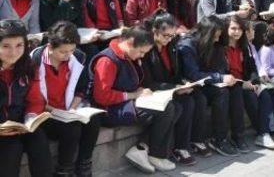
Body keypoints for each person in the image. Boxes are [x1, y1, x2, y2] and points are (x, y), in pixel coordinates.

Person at [91, 26, 180, 173]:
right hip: (109, 110)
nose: (142, 56)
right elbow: (102, 97)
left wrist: (141, 92)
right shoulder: (107, 60)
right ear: (130, 43)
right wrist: (133, 95)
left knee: (176, 106)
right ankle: (156, 155)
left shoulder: (127, 56)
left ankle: (142, 147)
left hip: (126, 103)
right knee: (167, 109)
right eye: (141, 52)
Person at [140, 11, 211, 164]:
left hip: (170, 87)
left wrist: (183, 83)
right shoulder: (146, 49)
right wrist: (175, 87)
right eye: (166, 35)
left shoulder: (171, 45)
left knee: (199, 98)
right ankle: (179, 147)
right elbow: (147, 82)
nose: (169, 39)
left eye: (172, 36)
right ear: (155, 30)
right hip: (155, 91)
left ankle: (191, 142)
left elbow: (175, 72)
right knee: (184, 104)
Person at [31, 21, 100, 177]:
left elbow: (82, 88)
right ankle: (64, 169)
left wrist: (74, 107)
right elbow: (32, 95)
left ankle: (84, 163)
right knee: (72, 128)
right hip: (44, 113)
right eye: (63, 52)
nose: (68, 55)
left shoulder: (78, 57)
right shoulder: (35, 60)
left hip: (67, 110)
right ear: (50, 47)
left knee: (93, 121)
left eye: (72, 50)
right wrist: (54, 110)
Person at [177, 16, 244, 156]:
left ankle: (221, 139)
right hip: (189, 84)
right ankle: (198, 140)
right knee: (201, 98)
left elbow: (218, 66)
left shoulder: (214, 44)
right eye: (215, 37)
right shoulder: (187, 45)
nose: (217, 39)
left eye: (219, 36)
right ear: (207, 34)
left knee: (227, 91)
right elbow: (193, 74)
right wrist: (219, 77)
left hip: (205, 82)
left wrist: (221, 77)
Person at [0, 19, 54, 177]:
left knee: (39, 141)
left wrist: (30, 118)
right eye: (5, 46)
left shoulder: (28, 66)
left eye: (19, 45)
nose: (13, 52)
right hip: (2, 128)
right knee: (12, 149)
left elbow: (35, 100)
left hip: (20, 122)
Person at [223, 16, 274, 150]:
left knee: (263, 91)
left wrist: (254, 81)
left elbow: (252, 67)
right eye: (233, 28)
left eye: (239, 29)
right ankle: (257, 133)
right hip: (231, 83)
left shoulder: (244, 46)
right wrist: (242, 84)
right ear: (227, 29)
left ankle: (263, 133)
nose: (236, 32)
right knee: (249, 95)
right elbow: (223, 71)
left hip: (246, 81)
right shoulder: (222, 47)